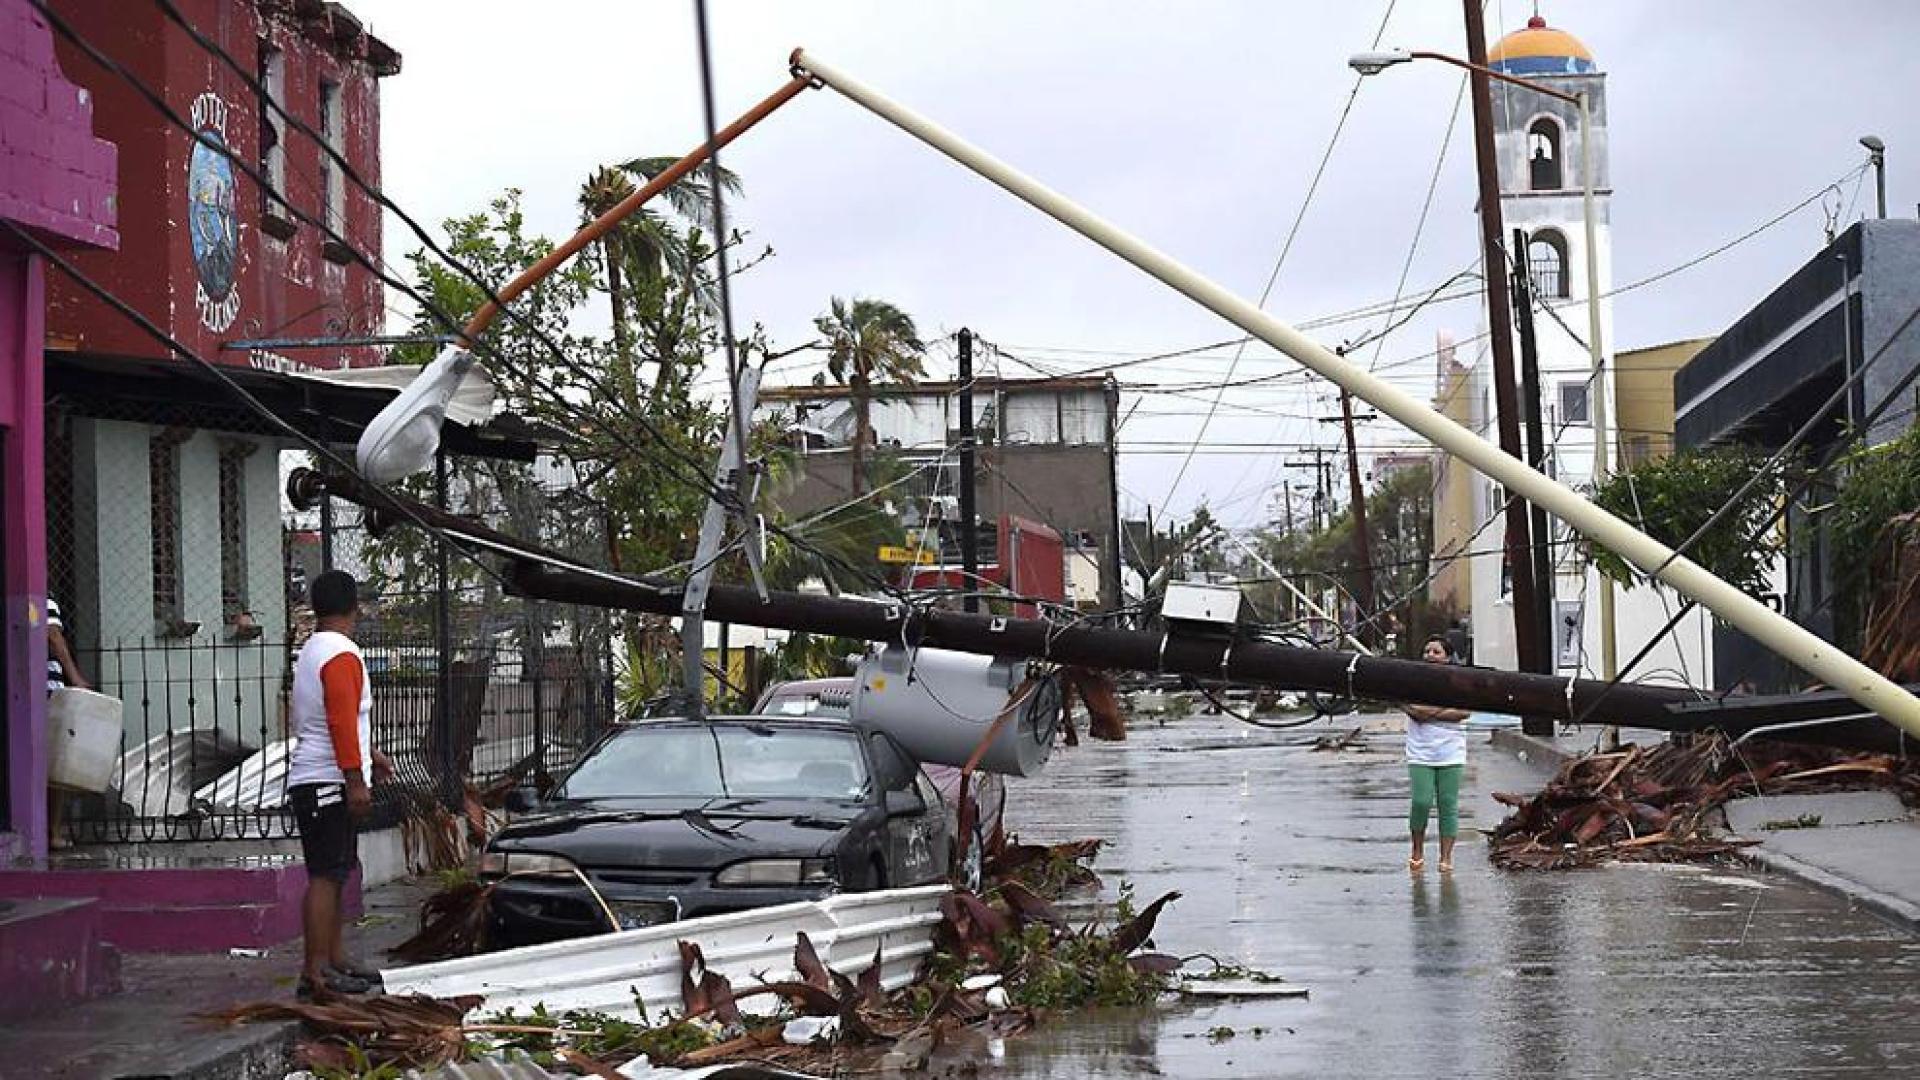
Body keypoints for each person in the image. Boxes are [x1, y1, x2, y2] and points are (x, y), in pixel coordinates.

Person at [286, 570, 393, 999]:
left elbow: (336, 717)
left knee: (335, 871)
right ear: (355, 607)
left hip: (320, 776)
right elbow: (339, 719)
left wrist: (371, 756)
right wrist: (355, 779)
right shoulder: (341, 653)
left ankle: (334, 959)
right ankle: (316, 971)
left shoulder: (314, 648)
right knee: (326, 876)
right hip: (327, 780)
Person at [1404, 635, 1471, 874]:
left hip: (1451, 752)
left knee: (1448, 804)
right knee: (1421, 802)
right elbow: (1413, 710)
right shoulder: (1413, 680)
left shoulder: (1458, 681)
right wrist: (1443, 708)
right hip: (1420, 752)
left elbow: (1463, 712)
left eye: (1436, 652)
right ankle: (1417, 851)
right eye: (1427, 651)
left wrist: (1428, 712)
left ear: (1447, 657)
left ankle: (1446, 857)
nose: (1430, 655)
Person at [46, 596, 90, 850]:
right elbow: (53, 636)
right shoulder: (45, 602)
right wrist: (75, 677)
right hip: (49, 692)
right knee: (56, 765)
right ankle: (52, 831)